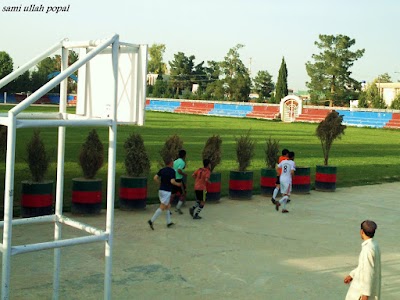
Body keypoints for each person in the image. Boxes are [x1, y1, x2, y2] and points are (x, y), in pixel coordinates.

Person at [344, 220, 381, 300]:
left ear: (361, 232)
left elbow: (368, 272)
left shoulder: (367, 250)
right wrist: (352, 275)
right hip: (365, 289)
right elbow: (363, 266)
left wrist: (365, 294)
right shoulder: (374, 245)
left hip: (360, 293)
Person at [148, 157, 182, 230]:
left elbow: (155, 178)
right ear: (170, 163)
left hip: (161, 190)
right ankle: (151, 220)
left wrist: (160, 183)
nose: (173, 163)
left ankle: (169, 222)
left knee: (167, 206)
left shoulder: (162, 170)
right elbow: (172, 181)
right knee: (162, 206)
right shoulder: (172, 171)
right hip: (167, 191)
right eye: (172, 162)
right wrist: (178, 184)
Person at [172, 149, 187, 214]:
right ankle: (178, 207)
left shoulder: (175, 161)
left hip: (174, 179)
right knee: (183, 193)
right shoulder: (182, 162)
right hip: (179, 180)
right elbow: (179, 170)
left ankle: (165, 207)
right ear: (185, 156)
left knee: (173, 194)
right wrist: (184, 174)